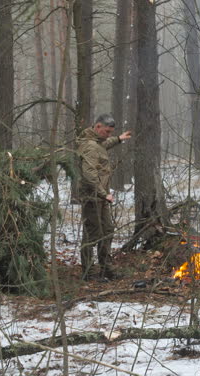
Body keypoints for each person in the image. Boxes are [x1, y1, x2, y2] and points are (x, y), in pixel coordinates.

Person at [77, 114, 132, 281]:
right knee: (92, 233)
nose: (108, 135)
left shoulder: (95, 142)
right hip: (92, 197)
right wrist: (103, 193)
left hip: (101, 197)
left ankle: (106, 268)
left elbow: (102, 145)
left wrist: (118, 139)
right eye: (106, 131)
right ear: (98, 126)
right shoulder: (90, 146)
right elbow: (89, 174)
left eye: (111, 132)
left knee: (107, 230)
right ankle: (88, 272)